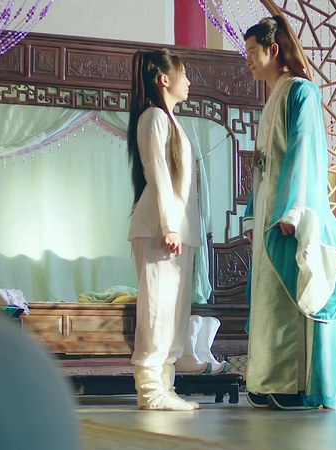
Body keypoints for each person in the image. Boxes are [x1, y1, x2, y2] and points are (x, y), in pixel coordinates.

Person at [241, 16, 336, 410]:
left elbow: (305, 150)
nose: (248, 60)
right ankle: (266, 379)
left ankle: (295, 385)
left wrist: (293, 211)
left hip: (288, 211)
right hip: (269, 208)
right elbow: (261, 165)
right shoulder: (272, 98)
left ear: (273, 49)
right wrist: (253, 213)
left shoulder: (302, 92)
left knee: (292, 293)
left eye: (253, 52)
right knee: (268, 298)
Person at [127, 48, 204, 411]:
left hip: (177, 229)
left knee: (174, 312)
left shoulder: (172, 121)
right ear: (164, 79)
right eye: (183, 74)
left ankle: (165, 386)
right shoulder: (154, 117)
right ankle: (150, 390)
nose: (188, 82)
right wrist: (169, 225)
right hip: (160, 227)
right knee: (157, 310)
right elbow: (156, 171)